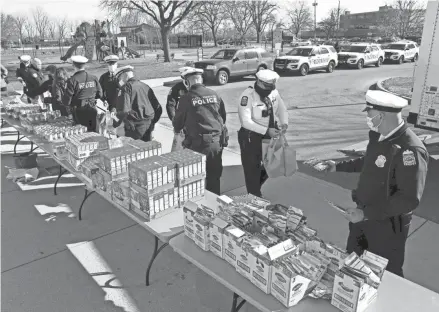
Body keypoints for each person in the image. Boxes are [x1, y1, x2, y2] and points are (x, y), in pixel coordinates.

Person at [308, 89, 429, 277]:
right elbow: (369, 161)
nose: (368, 119)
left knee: (385, 274)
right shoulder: (378, 135)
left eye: (370, 115)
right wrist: (337, 167)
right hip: (362, 216)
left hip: (387, 226)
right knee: (353, 265)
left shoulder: (410, 150)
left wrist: (366, 214)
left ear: (382, 115)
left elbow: (409, 199)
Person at [172, 68, 226, 195]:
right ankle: (213, 205)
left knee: (195, 179)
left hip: (196, 145)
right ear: (201, 79)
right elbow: (223, 117)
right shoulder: (214, 94)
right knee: (214, 178)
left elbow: (177, 123)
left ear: (187, 83)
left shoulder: (186, 99)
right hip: (215, 143)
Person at [237, 69, 288, 197]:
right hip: (251, 137)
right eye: (267, 86)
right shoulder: (247, 96)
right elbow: (245, 121)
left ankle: (254, 188)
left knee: (272, 164)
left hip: (270, 135)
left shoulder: (273, 93)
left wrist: (284, 123)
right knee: (252, 169)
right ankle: (254, 195)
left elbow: (281, 109)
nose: (270, 89)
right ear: (259, 82)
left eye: (272, 86)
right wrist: (266, 131)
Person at [112, 66, 162, 141]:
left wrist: (115, 123)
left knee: (133, 150)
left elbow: (123, 111)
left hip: (134, 128)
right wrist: (152, 122)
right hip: (148, 126)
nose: (119, 81)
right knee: (147, 150)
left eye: (119, 78)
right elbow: (158, 108)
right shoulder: (145, 86)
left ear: (124, 76)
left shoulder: (125, 88)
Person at [62, 55, 102, 131]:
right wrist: (90, 97)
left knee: (81, 134)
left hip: (79, 112)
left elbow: (67, 101)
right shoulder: (93, 78)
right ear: (85, 65)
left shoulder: (72, 80)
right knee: (93, 132)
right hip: (92, 109)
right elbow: (100, 94)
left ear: (73, 65)